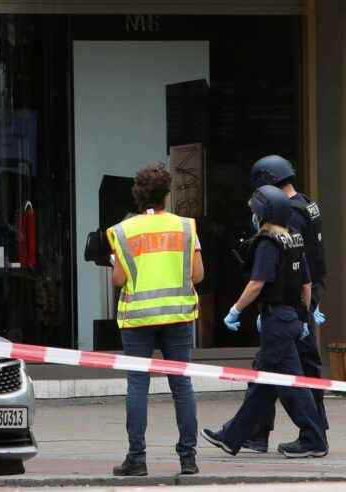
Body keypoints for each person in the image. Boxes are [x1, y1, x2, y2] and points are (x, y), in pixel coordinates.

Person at [201, 185, 328, 459]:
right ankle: (234, 436)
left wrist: (235, 309)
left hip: (278, 323)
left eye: (255, 213)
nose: (253, 217)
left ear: (265, 215)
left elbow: (257, 283)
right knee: (264, 381)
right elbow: (306, 284)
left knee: (288, 387)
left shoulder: (268, 243)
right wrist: (303, 316)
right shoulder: (294, 238)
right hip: (289, 319)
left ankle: (313, 439)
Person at [105, 163, 204, 477]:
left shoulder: (123, 231)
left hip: (138, 319)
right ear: (167, 194)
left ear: (137, 195)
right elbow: (198, 274)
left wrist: (115, 263)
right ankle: (188, 459)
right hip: (177, 316)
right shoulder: (185, 227)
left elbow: (118, 280)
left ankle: (137, 458)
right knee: (181, 386)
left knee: (137, 386)